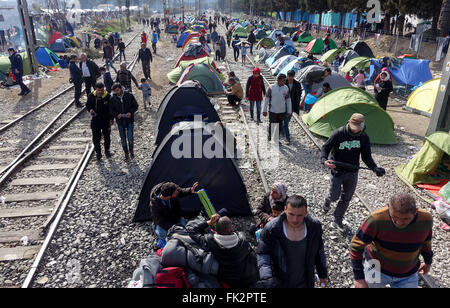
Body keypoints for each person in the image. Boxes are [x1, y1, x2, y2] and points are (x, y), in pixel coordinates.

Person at [350, 193, 433, 288]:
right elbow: (355, 246)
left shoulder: (425, 219)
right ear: (389, 207)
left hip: (408, 273)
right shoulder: (376, 219)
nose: (399, 223)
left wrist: (428, 262)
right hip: (375, 267)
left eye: (406, 218)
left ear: (415, 212)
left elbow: (426, 242)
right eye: (395, 217)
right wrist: (359, 278)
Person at [321, 113, 385, 231]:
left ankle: (338, 219)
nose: (355, 131)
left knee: (346, 198)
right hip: (337, 171)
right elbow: (325, 148)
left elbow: (366, 157)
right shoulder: (339, 133)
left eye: (358, 129)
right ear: (349, 123)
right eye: (353, 128)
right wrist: (324, 161)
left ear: (362, 126)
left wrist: (375, 168)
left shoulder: (364, 137)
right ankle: (328, 200)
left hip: (352, 172)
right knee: (334, 196)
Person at [257, 195, 328, 288]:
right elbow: (263, 253)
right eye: (291, 214)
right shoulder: (272, 229)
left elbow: (319, 250)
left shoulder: (314, 227)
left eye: (299, 215)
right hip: (280, 282)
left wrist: (322, 274)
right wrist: (267, 278)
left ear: (306, 212)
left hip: (306, 281)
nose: (295, 220)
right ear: (285, 209)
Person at [188, 214, 260, 288]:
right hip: (248, 277)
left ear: (216, 229)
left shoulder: (210, 241)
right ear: (231, 228)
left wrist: (209, 222)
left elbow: (191, 230)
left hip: (228, 280)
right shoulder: (242, 239)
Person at [150, 182, 199, 246]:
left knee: (188, 231)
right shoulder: (154, 205)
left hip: (175, 218)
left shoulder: (169, 189)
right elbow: (160, 221)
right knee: (164, 235)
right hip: (164, 223)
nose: (177, 192)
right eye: (176, 193)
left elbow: (180, 191)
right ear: (170, 195)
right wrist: (174, 228)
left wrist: (190, 190)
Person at [109, 83, 139, 160]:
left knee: (130, 137)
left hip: (129, 120)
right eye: (115, 91)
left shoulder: (129, 95)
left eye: (118, 90)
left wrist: (130, 112)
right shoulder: (113, 98)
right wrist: (116, 114)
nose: (117, 92)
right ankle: (126, 152)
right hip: (120, 121)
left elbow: (135, 106)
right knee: (123, 138)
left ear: (121, 88)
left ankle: (131, 150)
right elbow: (111, 110)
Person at [86, 82, 113, 161]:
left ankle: (107, 151)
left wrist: (111, 119)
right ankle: (98, 153)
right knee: (96, 138)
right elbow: (88, 105)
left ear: (104, 88)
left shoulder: (108, 96)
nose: (100, 92)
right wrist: (90, 110)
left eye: (102, 90)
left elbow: (111, 109)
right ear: (95, 89)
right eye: (99, 90)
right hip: (95, 120)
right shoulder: (91, 96)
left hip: (106, 120)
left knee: (107, 137)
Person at [263, 74, 292, 142]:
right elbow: (266, 99)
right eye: (283, 81)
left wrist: (289, 111)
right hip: (272, 110)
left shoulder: (286, 88)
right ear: (278, 80)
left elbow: (288, 100)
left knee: (279, 125)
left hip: (282, 110)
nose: (284, 82)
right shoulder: (271, 88)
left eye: (285, 80)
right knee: (272, 124)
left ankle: (276, 139)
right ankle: (271, 135)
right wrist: (264, 110)